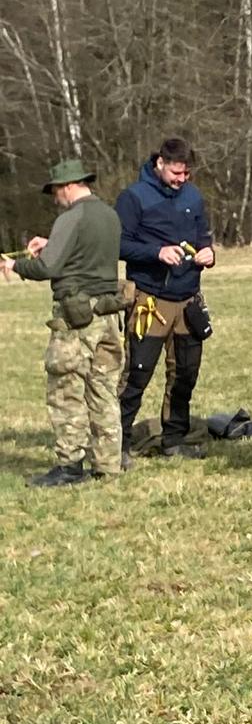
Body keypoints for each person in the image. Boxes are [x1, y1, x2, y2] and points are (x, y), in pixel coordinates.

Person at [2, 158, 125, 487]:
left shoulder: (72, 217)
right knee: (103, 390)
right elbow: (85, 255)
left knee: (66, 389)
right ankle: (108, 463)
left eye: (55, 190)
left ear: (68, 186)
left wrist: (14, 267)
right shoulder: (109, 215)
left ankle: (70, 465)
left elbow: (48, 268)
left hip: (76, 318)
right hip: (109, 315)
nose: (55, 197)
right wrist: (51, 244)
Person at [115, 138, 216, 461]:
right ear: (160, 163)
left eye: (186, 173)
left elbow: (204, 235)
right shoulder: (133, 197)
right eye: (176, 173)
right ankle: (116, 443)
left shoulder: (193, 196)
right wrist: (156, 252)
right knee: (137, 373)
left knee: (185, 374)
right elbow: (119, 244)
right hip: (151, 300)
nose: (181, 179)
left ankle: (174, 439)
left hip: (188, 301)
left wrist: (209, 253)